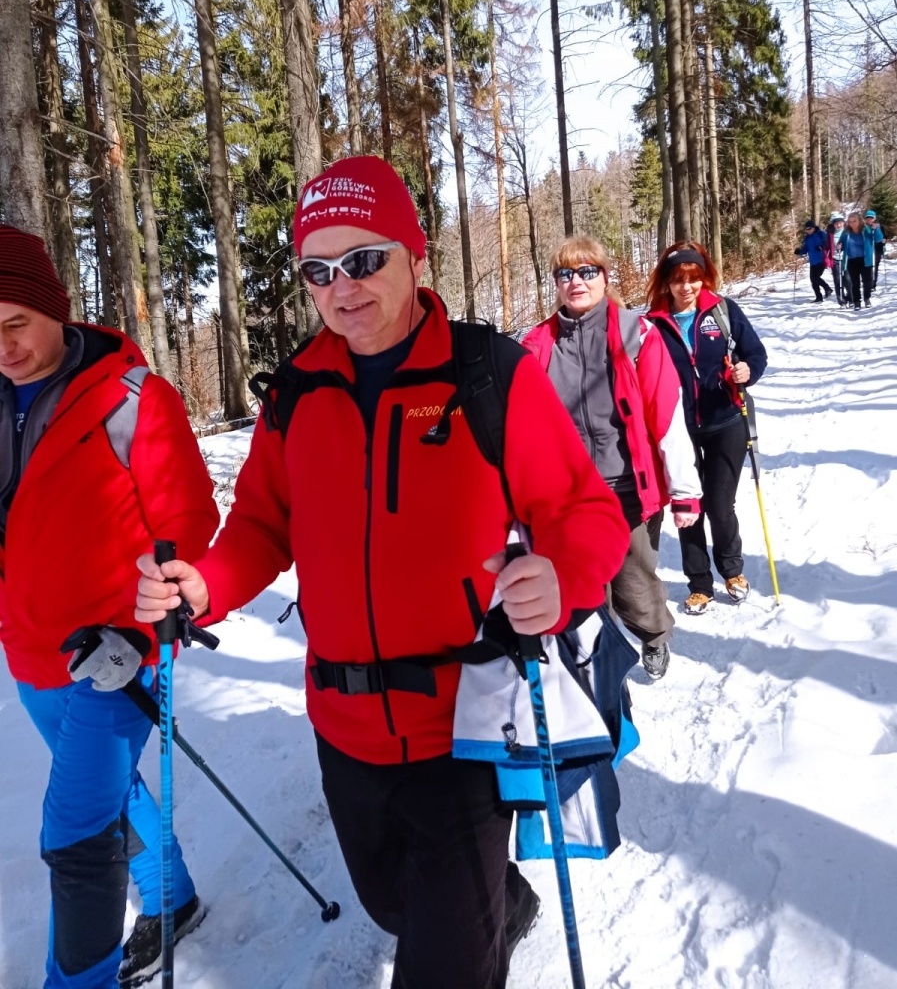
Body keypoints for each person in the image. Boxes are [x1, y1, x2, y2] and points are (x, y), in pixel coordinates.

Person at [135, 155, 630, 989]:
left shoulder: (484, 374)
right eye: (318, 270)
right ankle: (497, 907)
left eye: (364, 259)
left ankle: (478, 923)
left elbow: (585, 512)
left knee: (441, 966)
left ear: (414, 252)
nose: (343, 287)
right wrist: (207, 583)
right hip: (342, 723)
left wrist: (562, 573)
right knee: (393, 907)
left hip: (461, 725)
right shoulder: (296, 392)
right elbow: (262, 522)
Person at [0, 225, 219, 989]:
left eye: (14, 324)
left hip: (116, 658)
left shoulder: (131, 398)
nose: (4, 347)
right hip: (31, 655)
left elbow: (191, 518)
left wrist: (147, 609)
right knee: (111, 791)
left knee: (75, 836)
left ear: (55, 310)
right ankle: (174, 898)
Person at [521, 236, 702, 682]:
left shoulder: (636, 334)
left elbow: (666, 415)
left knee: (634, 586)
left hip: (627, 488)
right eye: (566, 274)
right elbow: (521, 430)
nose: (576, 282)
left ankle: (655, 634)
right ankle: (601, 667)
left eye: (586, 272)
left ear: (604, 277)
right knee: (584, 593)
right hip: (569, 497)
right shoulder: (537, 345)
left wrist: (684, 492)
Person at [645, 242, 768, 616]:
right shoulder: (650, 325)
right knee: (688, 505)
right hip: (677, 429)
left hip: (725, 421)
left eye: (694, 278)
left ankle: (731, 570)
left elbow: (756, 354)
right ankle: (699, 583)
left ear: (704, 278)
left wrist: (747, 372)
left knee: (719, 502)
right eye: (678, 279)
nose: (687, 286)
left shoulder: (723, 311)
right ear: (665, 283)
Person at [838, 210, 874, 310]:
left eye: (854, 221)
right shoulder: (846, 232)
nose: (852, 223)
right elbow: (840, 242)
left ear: (859, 221)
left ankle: (867, 298)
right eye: (850, 221)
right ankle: (857, 302)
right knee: (855, 282)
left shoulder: (866, 229)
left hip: (865, 259)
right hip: (852, 260)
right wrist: (839, 245)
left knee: (867, 281)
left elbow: (877, 238)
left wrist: (877, 230)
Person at [794, 219, 833, 303]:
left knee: (815, 277)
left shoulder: (821, 234)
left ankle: (827, 288)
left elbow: (827, 243)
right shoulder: (807, 238)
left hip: (821, 260)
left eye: (809, 229)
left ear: (814, 228)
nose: (808, 231)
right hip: (813, 261)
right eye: (806, 229)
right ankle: (819, 297)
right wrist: (799, 251)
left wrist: (821, 247)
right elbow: (805, 248)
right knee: (813, 280)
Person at [826, 212, 847, 305]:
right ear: (833, 224)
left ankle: (850, 297)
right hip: (835, 259)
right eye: (836, 223)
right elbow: (826, 247)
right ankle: (841, 299)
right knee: (838, 280)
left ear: (843, 223)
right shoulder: (830, 234)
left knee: (848, 280)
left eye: (840, 223)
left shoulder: (847, 232)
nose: (838, 225)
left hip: (846, 259)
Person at [864, 209, 886, 290]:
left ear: (874, 218)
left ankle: (873, 284)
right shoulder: (864, 228)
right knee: (867, 268)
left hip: (877, 250)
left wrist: (884, 241)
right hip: (867, 251)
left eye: (871, 218)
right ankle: (867, 283)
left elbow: (883, 237)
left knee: (874, 267)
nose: (869, 220)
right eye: (868, 218)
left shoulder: (879, 227)